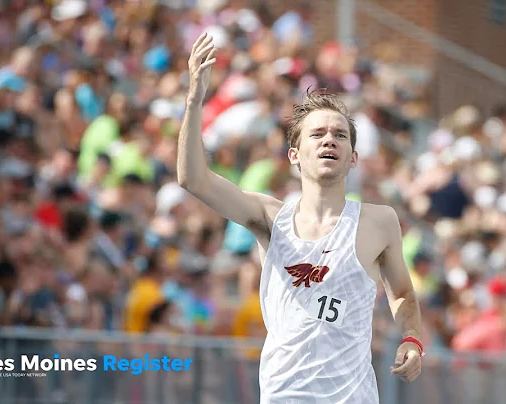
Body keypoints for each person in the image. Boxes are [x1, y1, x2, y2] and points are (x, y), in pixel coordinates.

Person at [177, 33, 423, 403]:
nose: (330, 140)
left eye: (340, 135)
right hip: (285, 396)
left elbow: (402, 293)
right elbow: (193, 179)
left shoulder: (379, 222)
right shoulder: (268, 216)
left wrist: (411, 339)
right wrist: (195, 100)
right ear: (295, 155)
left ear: (353, 157)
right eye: (318, 134)